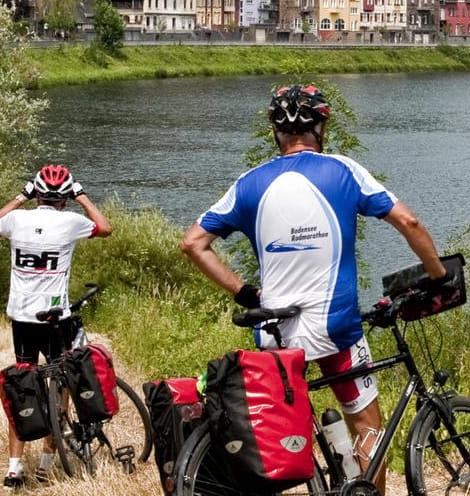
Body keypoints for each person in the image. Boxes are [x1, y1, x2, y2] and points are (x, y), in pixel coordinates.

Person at [181, 84, 446, 493]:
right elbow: (408, 223)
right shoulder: (343, 170)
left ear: (276, 133)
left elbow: (193, 244)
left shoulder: (248, 183)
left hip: (274, 334)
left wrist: (244, 292)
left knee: (275, 428)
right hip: (336, 330)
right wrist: (437, 274)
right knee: (364, 421)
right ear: (322, 128)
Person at [0, 164, 113, 488]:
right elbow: (105, 227)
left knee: (23, 385)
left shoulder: (17, 219)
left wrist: (19, 196)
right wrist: (82, 195)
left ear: (36, 194)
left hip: (23, 318)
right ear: (65, 199)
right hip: (57, 318)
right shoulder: (71, 222)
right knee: (63, 384)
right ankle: (46, 463)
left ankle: (14, 468)